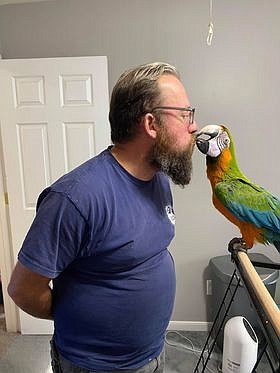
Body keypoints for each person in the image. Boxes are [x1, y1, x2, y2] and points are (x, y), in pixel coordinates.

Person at [8, 62, 198, 372]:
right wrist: (76, 311)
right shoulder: (76, 198)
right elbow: (23, 289)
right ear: (151, 124)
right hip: (94, 366)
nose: (193, 126)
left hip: (151, 355)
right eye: (184, 114)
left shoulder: (159, 179)